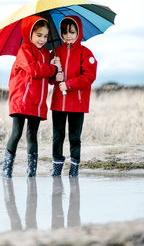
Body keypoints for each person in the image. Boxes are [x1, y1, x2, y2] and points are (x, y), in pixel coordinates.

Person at [2, 15, 60, 178]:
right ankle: (7, 170)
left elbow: (49, 79)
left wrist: (56, 70)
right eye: (38, 35)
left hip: (37, 102)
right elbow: (34, 70)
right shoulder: (24, 50)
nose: (42, 39)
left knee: (32, 135)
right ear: (30, 34)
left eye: (45, 36)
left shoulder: (47, 54)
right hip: (22, 100)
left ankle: (31, 173)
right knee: (17, 133)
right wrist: (52, 69)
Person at [50, 15, 97, 177]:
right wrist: (54, 71)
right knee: (57, 137)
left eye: (71, 31)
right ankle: (56, 169)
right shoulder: (56, 53)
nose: (68, 35)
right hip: (58, 103)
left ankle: (74, 169)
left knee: (74, 137)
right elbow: (50, 80)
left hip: (77, 104)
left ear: (79, 32)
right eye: (64, 32)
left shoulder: (86, 53)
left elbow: (89, 77)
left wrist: (68, 84)